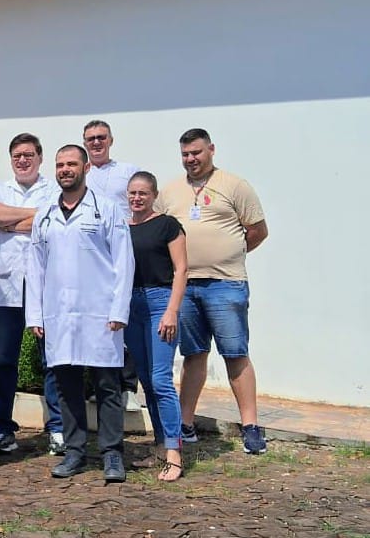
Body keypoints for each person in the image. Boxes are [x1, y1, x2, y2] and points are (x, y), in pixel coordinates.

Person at [26, 145, 134, 483]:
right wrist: (35, 315)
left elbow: (124, 261)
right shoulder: (45, 213)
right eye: (60, 165)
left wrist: (119, 309)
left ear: (86, 168)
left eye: (71, 163)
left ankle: (112, 453)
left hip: (101, 313)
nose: (65, 169)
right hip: (59, 313)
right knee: (66, 385)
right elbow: (35, 267)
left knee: (107, 386)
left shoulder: (107, 209)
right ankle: (74, 451)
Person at [157, 128, 269, 455]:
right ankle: (186, 424)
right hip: (186, 286)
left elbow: (258, 230)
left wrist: (230, 253)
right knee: (193, 355)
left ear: (211, 150)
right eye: (185, 154)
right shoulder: (170, 191)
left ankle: (250, 426)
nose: (191, 159)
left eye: (197, 152)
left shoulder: (234, 185)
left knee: (235, 353)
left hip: (225, 284)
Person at [0, 133, 66, 457]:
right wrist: (33, 215)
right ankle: (3, 427)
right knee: (4, 361)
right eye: (17, 155)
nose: (23, 160)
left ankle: (57, 427)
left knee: (52, 359)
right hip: (6, 288)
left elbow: (54, 218)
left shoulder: (54, 190)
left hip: (45, 286)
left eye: (29, 155)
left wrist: (11, 221)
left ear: (40, 157)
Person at [124, 171, 187, 481]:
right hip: (131, 305)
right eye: (133, 193)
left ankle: (175, 453)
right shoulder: (122, 228)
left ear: (154, 195)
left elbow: (181, 269)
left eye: (143, 193)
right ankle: (160, 445)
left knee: (161, 380)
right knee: (147, 381)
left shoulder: (168, 225)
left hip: (161, 301)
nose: (137, 198)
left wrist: (172, 311)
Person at [83, 120, 142, 412]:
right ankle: (98, 386)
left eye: (101, 137)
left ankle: (128, 387)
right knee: (95, 321)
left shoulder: (127, 171)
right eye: (91, 138)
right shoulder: (81, 173)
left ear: (110, 140)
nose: (96, 142)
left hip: (121, 250)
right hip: (91, 256)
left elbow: (140, 203)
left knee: (123, 314)